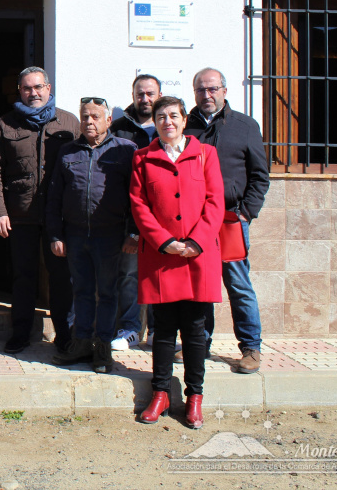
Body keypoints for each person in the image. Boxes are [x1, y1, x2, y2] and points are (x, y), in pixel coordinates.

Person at [130, 96, 223, 429]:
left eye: (173, 116)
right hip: (161, 256)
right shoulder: (142, 158)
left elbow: (215, 201)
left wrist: (195, 242)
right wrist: (165, 241)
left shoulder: (205, 154)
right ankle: (161, 393)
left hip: (198, 255)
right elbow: (139, 205)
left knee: (195, 330)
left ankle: (194, 396)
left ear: (184, 120)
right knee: (164, 329)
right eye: (160, 117)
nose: (167, 121)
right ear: (154, 122)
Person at [0, 67, 80, 354]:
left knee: (61, 277)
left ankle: (65, 334)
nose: (33, 93)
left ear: (48, 88)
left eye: (38, 87)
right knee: (23, 276)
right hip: (20, 214)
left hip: (58, 216)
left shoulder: (69, 122)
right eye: (27, 88)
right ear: (20, 91)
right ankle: (21, 332)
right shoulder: (5, 124)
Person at [184, 67, 270, 374]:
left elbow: (260, 175)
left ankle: (251, 348)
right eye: (200, 89)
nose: (206, 95)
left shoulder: (245, 125)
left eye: (212, 89)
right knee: (201, 284)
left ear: (224, 90)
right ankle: (200, 343)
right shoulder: (185, 127)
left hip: (231, 219)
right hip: (196, 222)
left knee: (238, 284)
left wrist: (246, 212)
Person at [46, 97, 136, 373]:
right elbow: (55, 195)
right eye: (85, 116)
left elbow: (137, 196)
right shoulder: (68, 151)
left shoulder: (125, 150)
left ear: (108, 120)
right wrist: (55, 234)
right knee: (81, 290)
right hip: (75, 235)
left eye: (95, 117)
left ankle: (103, 346)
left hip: (110, 235)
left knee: (107, 293)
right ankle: (82, 342)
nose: (89, 121)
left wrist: (133, 233)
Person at [109, 74, 162, 350]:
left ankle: (157, 331)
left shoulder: (170, 126)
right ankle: (130, 328)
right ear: (133, 96)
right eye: (140, 94)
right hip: (128, 215)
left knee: (158, 274)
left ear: (159, 95)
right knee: (129, 274)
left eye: (150, 93)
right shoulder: (119, 129)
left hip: (163, 219)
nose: (145, 99)